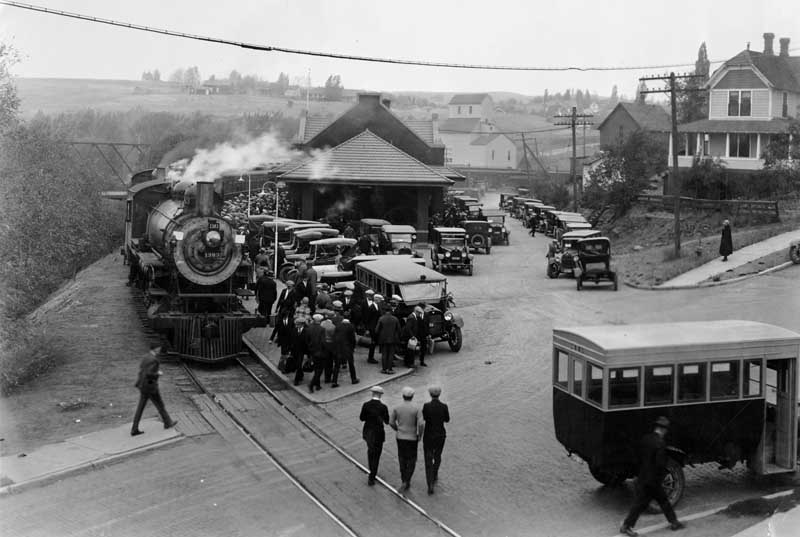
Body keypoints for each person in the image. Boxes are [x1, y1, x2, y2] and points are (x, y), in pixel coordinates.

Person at [619, 417, 685, 537]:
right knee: (642, 504)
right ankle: (626, 526)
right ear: (664, 430)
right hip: (653, 481)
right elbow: (660, 464)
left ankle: (674, 522)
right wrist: (661, 477)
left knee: (661, 501)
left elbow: (638, 457)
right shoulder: (660, 443)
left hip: (643, 476)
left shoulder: (646, 439)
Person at [131, 343, 177, 436]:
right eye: (159, 348)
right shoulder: (154, 360)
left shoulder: (146, 357)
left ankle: (134, 429)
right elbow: (149, 373)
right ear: (156, 349)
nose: (160, 350)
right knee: (160, 405)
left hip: (142, 385)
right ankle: (168, 423)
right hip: (150, 387)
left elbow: (142, 370)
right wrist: (158, 374)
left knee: (140, 408)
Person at [390, 386, 424, 492]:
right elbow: (421, 424)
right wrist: (420, 435)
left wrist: (397, 429)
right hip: (412, 437)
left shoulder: (397, 407)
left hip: (400, 437)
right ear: (412, 396)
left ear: (403, 396)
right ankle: (407, 480)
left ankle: (403, 478)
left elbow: (391, 422)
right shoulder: (416, 409)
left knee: (402, 458)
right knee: (412, 459)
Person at [422, 384, 450, 494]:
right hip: (440, 435)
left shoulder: (426, 406)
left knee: (428, 457)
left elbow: (424, 418)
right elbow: (447, 419)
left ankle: (430, 483)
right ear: (439, 394)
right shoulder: (444, 406)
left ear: (430, 394)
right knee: (437, 455)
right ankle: (435, 473)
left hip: (429, 434)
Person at [359, 386, 389, 486]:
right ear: (380, 395)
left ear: (372, 394)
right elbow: (387, 421)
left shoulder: (366, 405)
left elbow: (362, 418)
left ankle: (371, 470)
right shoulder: (383, 407)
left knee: (370, 451)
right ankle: (372, 475)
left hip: (368, 432)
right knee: (377, 454)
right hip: (378, 433)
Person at [333, 315, 359, 386]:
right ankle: (353, 379)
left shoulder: (338, 326)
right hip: (348, 348)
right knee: (351, 364)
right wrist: (353, 347)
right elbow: (353, 339)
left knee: (337, 365)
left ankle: (334, 381)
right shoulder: (351, 326)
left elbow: (335, 337)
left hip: (339, 347)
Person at [375, 303, 400, 375]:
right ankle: (389, 369)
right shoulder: (395, 319)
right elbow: (399, 330)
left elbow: (376, 330)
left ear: (385, 311)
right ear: (391, 311)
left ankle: (384, 369)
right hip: (392, 339)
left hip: (383, 339)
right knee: (391, 354)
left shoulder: (381, 318)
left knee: (384, 354)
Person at [307, 314, 328, 393]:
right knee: (319, 370)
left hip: (312, 351)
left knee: (316, 368)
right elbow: (323, 341)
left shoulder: (309, 328)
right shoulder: (322, 329)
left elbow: (307, 340)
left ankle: (318, 385)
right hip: (320, 352)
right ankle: (312, 384)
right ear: (320, 321)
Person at [363, 289, 381, 364]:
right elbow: (367, 318)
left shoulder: (377, 306)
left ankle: (371, 357)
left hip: (375, 327)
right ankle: (370, 358)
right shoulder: (371, 307)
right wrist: (367, 329)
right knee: (372, 343)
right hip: (372, 327)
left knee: (374, 342)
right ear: (376, 299)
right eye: (379, 299)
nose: (380, 300)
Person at [291, 317, 309, 386]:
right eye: (296, 324)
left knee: (298, 364)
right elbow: (291, 340)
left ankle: (296, 380)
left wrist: (307, 353)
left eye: (298, 324)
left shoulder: (306, 331)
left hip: (302, 351)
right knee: (296, 364)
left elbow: (307, 342)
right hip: (294, 350)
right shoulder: (294, 330)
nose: (296, 326)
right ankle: (301, 374)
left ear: (302, 324)